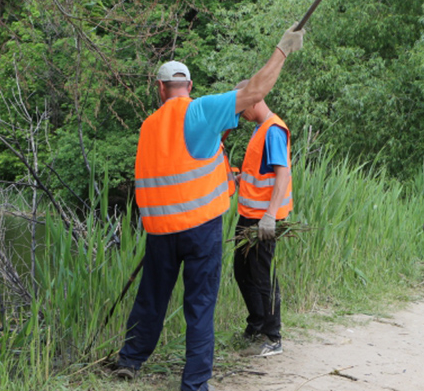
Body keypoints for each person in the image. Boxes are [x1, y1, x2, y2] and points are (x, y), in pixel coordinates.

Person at [115, 23, 304, 391]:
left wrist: (225, 177)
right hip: (200, 229)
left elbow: (178, 166)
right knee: (200, 305)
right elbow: (255, 91)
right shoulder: (200, 111)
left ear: (160, 89)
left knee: (151, 296)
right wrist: (283, 48)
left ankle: (130, 360)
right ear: (189, 87)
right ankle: (195, 383)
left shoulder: (148, 126)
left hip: (160, 231)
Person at [233, 95, 292, 357]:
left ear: (255, 100)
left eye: (241, 108)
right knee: (242, 269)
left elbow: (282, 173)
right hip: (249, 215)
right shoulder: (260, 129)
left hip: (263, 219)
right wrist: (240, 179)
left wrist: (270, 215)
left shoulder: (273, 130)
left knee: (262, 275)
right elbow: (261, 173)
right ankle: (257, 324)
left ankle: (272, 336)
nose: (239, 114)